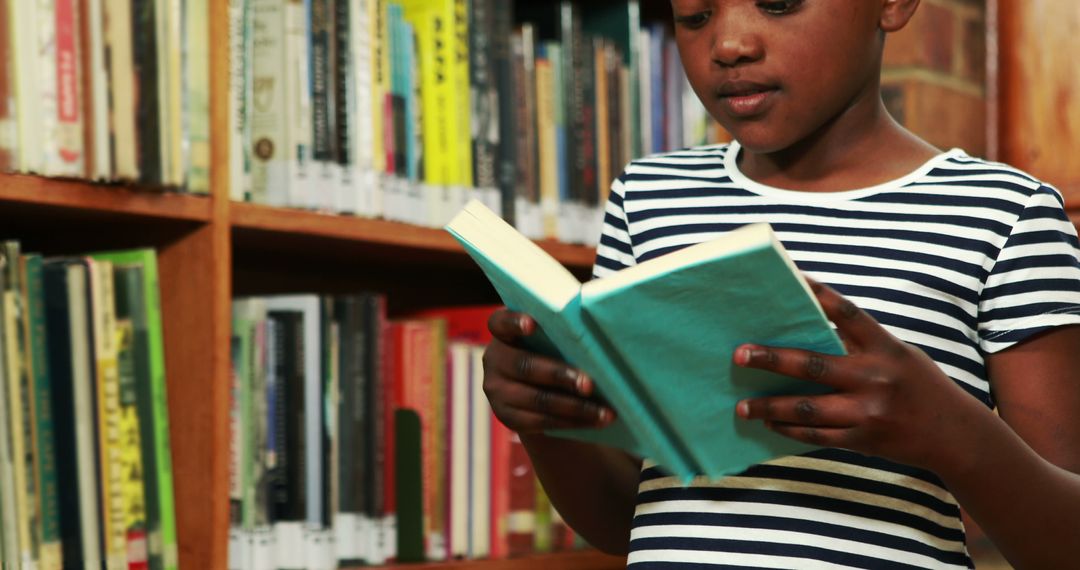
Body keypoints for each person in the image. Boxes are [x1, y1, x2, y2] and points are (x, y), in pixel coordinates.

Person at [481, 0, 1080, 568]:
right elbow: (619, 521)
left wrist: (949, 432)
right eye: (695, 15)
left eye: (779, 2)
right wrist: (545, 420)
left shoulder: (1003, 214)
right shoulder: (649, 199)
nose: (729, 44)